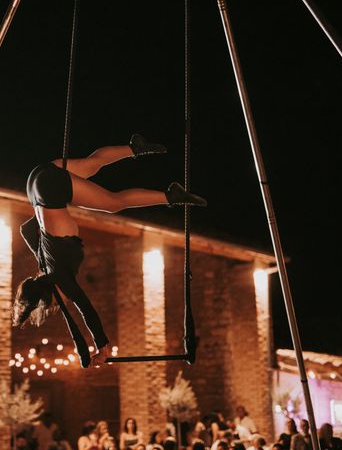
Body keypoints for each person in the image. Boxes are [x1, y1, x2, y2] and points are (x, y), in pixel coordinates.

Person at [13, 135, 206, 368]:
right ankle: (135, 148)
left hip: (50, 188)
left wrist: (102, 347)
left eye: (55, 303)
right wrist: (46, 217)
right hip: (36, 183)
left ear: (50, 294)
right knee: (92, 165)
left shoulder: (60, 279)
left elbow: (86, 310)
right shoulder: (45, 262)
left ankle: (171, 195)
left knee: (114, 203)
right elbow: (26, 229)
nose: (62, 303)